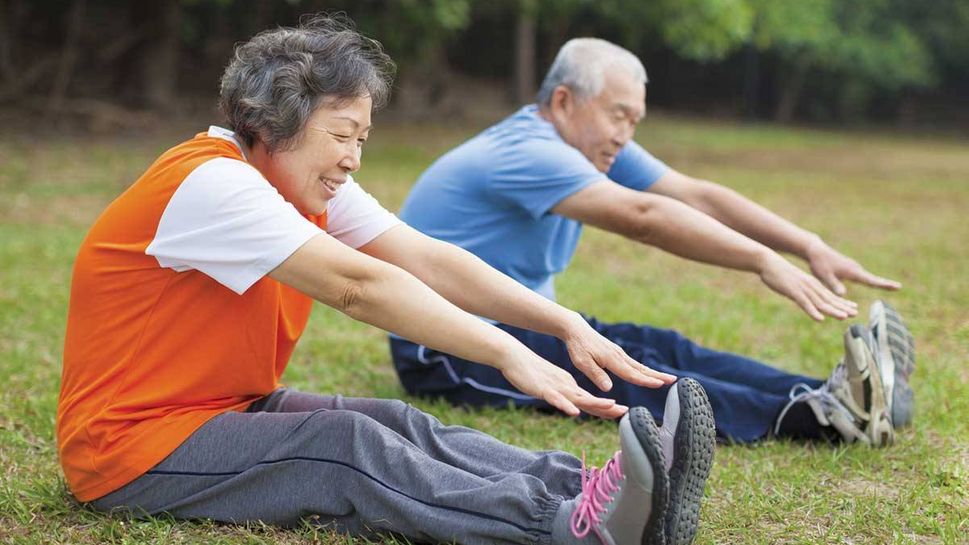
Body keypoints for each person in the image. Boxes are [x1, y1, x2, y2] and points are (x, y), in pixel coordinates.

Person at [56, 16, 719, 545]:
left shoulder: (300, 182)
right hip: (128, 449)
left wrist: (560, 323)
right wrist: (504, 351)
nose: (352, 158)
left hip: (218, 409)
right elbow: (357, 285)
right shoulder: (212, 183)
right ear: (272, 121)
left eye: (363, 138)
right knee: (344, 446)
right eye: (342, 133)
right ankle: (573, 526)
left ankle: (599, 487)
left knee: (393, 420)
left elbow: (425, 257)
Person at [391, 38, 916, 447]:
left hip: (524, 321)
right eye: (618, 114)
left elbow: (695, 195)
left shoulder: (589, 144)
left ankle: (838, 392)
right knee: (631, 374)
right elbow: (643, 216)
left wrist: (807, 244)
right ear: (564, 101)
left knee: (662, 348)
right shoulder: (528, 152)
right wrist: (760, 260)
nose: (625, 133)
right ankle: (818, 417)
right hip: (446, 348)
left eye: (635, 121)